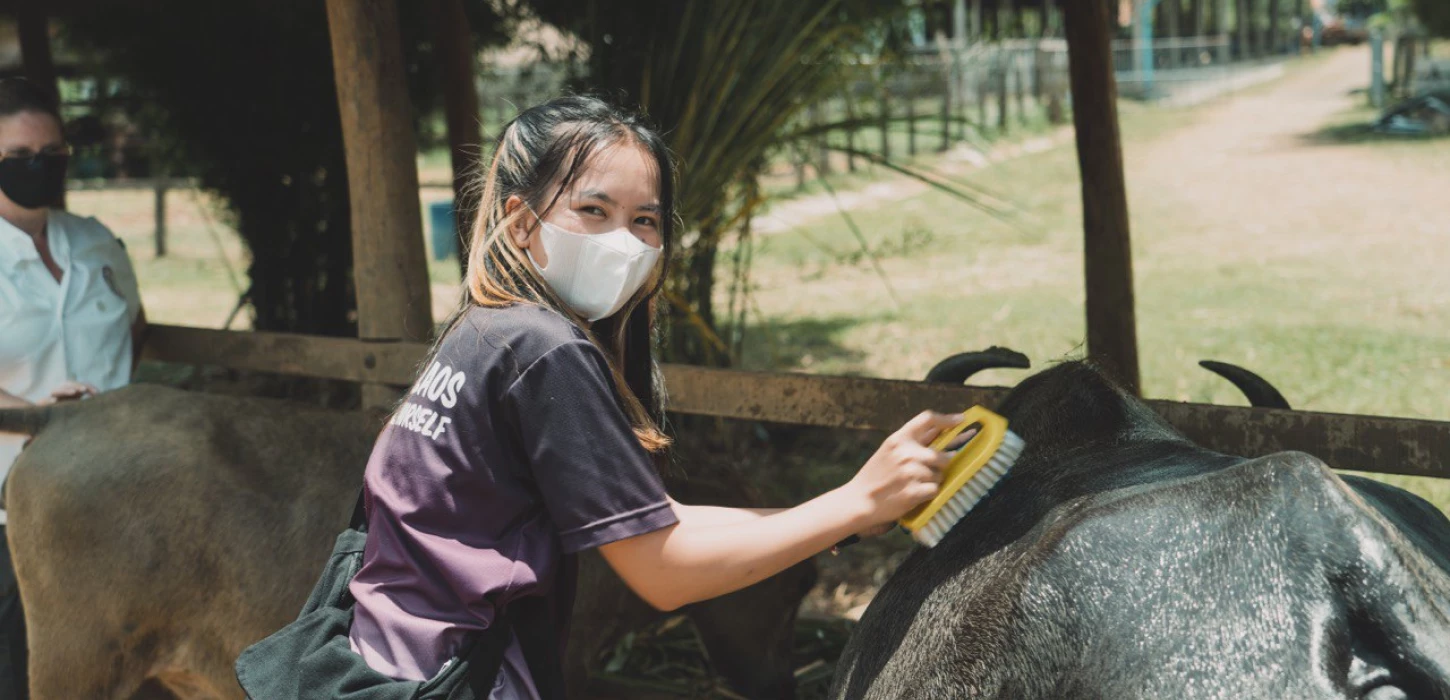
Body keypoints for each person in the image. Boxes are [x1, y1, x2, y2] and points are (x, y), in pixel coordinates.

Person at [347, 96, 959, 699]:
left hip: (382, 665)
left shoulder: (483, 329)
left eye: (645, 220)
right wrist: (854, 501)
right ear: (521, 220)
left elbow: (654, 520)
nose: (625, 243)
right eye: (593, 209)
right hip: (456, 680)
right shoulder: (546, 349)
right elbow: (663, 570)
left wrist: (846, 512)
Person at [0, 78, 146, 699]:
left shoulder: (95, 240)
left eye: (53, 151)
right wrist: (41, 419)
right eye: (20, 155)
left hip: (121, 494)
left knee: (119, 666)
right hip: (13, 508)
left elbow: (134, 332)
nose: (42, 164)